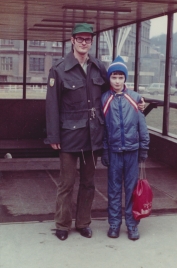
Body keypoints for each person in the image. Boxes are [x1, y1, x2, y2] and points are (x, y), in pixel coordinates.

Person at [45, 23, 108, 240]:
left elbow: (112, 93)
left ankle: (83, 223)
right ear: (72, 40)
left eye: (87, 39)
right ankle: (62, 225)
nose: (84, 43)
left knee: (89, 182)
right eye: (79, 39)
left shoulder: (98, 67)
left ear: (91, 42)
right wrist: (53, 135)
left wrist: (135, 102)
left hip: (93, 136)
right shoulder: (59, 69)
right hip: (69, 136)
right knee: (67, 183)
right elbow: (52, 105)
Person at [101, 56, 150, 241]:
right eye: (114, 77)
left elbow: (142, 126)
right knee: (113, 190)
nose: (117, 81)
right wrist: (105, 150)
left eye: (121, 77)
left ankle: (132, 225)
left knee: (131, 189)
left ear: (125, 79)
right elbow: (104, 128)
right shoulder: (104, 99)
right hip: (114, 152)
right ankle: (114, 224)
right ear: (109, 79)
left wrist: (143, 148)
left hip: (132, 151)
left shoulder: (135, 98)